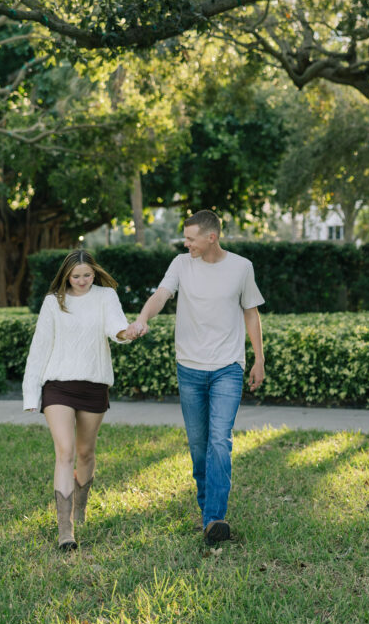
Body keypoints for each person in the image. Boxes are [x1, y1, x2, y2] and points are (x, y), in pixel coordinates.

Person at [125, 210, 265, 547]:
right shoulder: (181, 264)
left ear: (211, 237)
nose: (186, 243)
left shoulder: (241, 267)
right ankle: (208, 512)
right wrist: (143, 318)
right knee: (199, 446)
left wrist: (259, 359)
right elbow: (161, 294)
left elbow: (251, 312)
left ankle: (215, 517)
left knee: (220, 439)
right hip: (189, 367)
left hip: (227, 366)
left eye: (191, 238)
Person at [23, 249, 133, 551]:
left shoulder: (106, 296)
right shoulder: (53, 302)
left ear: (94, 273)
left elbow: (116, 328)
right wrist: (31, 393)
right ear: (66, 275)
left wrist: (128, 333)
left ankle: (80, 510)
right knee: (66, 451)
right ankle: (65, 530)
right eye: (76, 276)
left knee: (86, 452)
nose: (82, 281)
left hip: (94, 385)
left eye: (87, 275)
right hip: (57, 386)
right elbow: (40, 347)